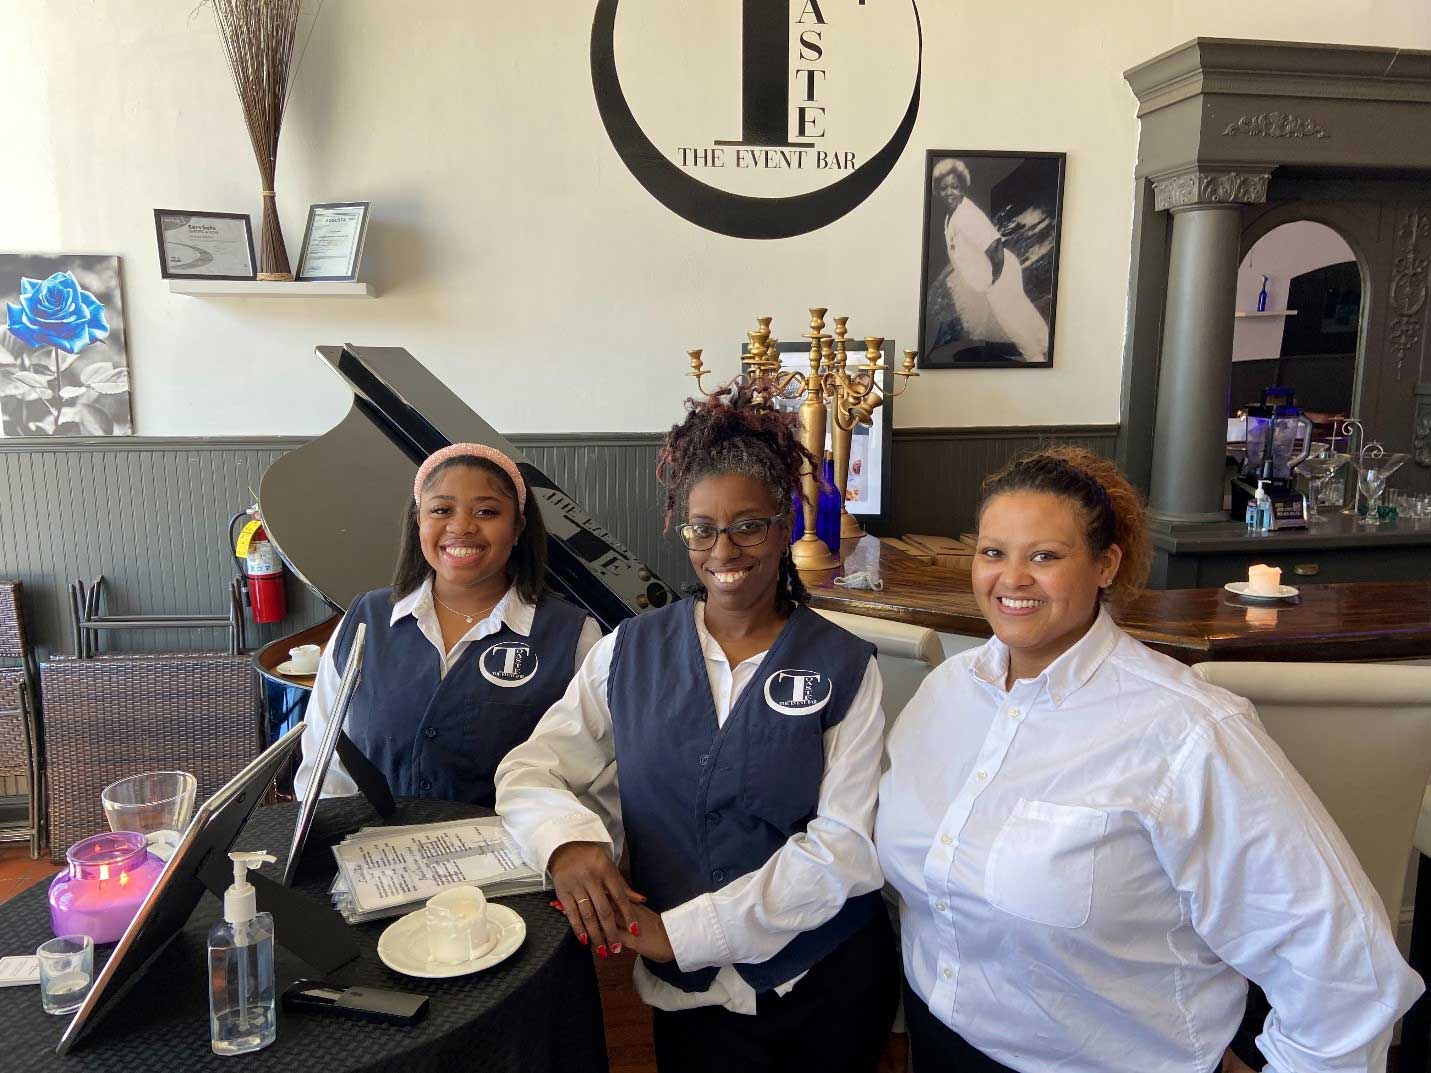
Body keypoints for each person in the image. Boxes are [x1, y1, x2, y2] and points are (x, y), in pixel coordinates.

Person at [876, 445, 1421, 1073]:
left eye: (1045, 556)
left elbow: (1347, 966)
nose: (1012, 578)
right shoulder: (944, 694)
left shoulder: (1187, 731)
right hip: (939, 1037)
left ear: (1106, 564)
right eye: (993, 552)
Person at [496, 383, 898, 1073]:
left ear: (781, 525)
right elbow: (531, 769)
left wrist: (680, 932)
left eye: (747, 524)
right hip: (692, 1000)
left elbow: (847, 848)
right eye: (702, 527)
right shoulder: (625, 652)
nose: (723, 548)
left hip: (825, 980)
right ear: (682, 529)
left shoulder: (843, 665)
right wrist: (567, 845)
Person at [294, 442, 599, 806]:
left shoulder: (574, 635)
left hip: (517, 859)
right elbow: (325, 762)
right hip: (376, 855)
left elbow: (590, 779)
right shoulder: (363, 621)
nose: (462, 527)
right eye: (441, 509)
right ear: (419, 521)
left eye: (486, 512)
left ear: (517, 527)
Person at [931, 157, 1048, 363]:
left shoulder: (966, 215)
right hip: (998, 272)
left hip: (1000, 271)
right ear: (937, 191)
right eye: (944, 188)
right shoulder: (953, 214)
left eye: (954, 187)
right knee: (1021, 310)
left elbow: (995, 245)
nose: (949, 192)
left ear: (963, 188)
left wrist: (994, 278)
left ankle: (1035, 358)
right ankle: (1044, 342)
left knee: (1011, 321)